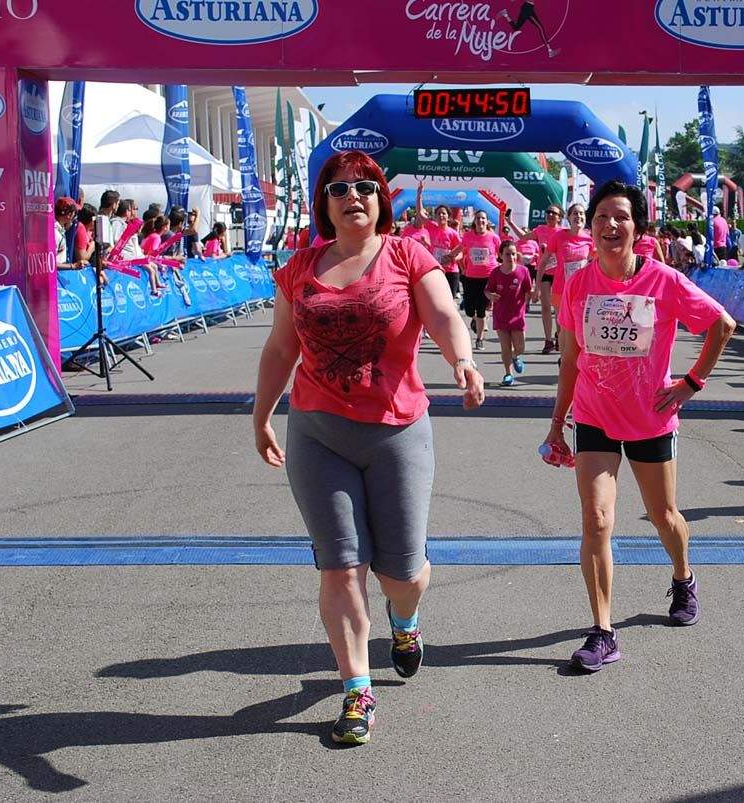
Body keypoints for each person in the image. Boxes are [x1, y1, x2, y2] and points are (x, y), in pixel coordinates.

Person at [253, 150, 485, 746]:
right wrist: (261, 415)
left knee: (400, 572)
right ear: (323, 203)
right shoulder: (300, 266)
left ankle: (404, 621)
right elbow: (281, 350)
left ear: (381, 199)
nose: (352, 196)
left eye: (364, 187)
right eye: (338, 189)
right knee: (340, 568)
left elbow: (443, 315)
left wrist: (462, 359)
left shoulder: (406, 254)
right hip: (317, 432)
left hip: (397, 430)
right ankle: (358, 689)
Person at [541, 180, 736, 671]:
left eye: (621, 216)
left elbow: (722, 325)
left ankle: (682, 576)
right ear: (590, 227)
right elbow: (570, 360)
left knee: (664, 516)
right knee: (596, 520)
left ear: (638, 227)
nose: (610, 225)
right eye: (602, 216)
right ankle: (603, 632)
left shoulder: (664, 280)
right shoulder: (579, 284)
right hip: (594, 417)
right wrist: (555, 425)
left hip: (651, 418)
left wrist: (692, 382)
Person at [513, 205, 564, 353]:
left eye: (553, 213)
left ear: (559, 217)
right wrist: (510, 222)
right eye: (547, 212)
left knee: (559, 309)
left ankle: (559, 337)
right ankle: (548, 340)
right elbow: (523, 237)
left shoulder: (562, 233)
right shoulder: (541, 230)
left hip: (559, 273)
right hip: (544, 273)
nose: (549, 215)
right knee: (546, 307)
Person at [450, 209, 501, 351]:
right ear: (475, 221)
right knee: (469, 309)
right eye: (478, 218)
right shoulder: (468, 236)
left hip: (488, 277)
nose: (480, 221)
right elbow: (460, 248)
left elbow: (501, 253)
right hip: (471, 277)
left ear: (486, 221)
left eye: (483, 218)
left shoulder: (493, 237)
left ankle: (479, 339)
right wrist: (450, 256)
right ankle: (475, 320)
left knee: (481, 309)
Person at [486, 240, 534, 386]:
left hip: (517, 316)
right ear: (500, 255)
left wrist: (534, 294)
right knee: (505, 347)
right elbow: (487, 290)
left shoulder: (523, 271)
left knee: (520, 347)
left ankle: (515, 356)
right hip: (501, 315)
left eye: (513, 254)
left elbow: (528, 289)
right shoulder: (495, 272)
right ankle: (508, 374)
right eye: (507, 254)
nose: (511, 257)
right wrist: (491, 296)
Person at [546, 202, 594, 309]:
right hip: (561, 287)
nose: (579, 216)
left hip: (581, 288)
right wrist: (538, 287)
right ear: (569, 217)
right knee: (561, 323)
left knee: (578, 323)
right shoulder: (558, 236)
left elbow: (596, 262)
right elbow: (544, 261)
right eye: (575, 213)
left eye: (581, 213)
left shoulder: (590, 239)